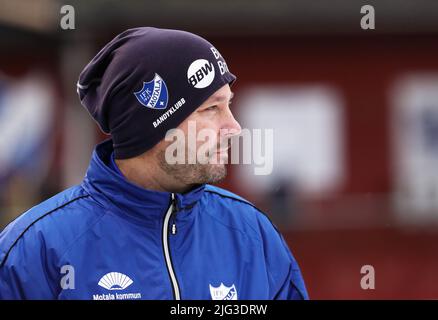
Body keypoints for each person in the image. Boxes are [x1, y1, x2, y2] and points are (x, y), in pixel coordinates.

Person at [0, 27, 308, 300]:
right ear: (154, 124)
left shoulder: (252, 235)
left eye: (228, 104)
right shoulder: (35, 250)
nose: (234, 127)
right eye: (212, 108)